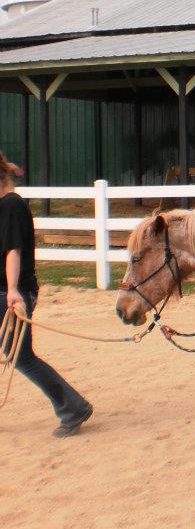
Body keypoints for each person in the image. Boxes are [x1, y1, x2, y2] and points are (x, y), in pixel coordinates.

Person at [0, 152, 93, 437]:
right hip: (9, 290)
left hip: (11, 291)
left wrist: (14, 290)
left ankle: (72, 407)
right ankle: (72, 406)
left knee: (22, 356)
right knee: (18, 354)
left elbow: (14, 250)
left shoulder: (11, 206)